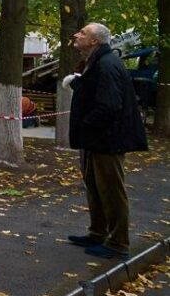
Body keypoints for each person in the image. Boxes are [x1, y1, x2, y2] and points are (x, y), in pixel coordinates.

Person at [64, 23, 149, 259]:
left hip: (108, 139)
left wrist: (85, 125)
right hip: (97, 139)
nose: (76, 34)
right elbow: (96, 92)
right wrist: (78, 83)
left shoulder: (107, 64)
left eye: (82, 33)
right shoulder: (98, 62)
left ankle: (118, 243)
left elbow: (109, 105)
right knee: (95, 186)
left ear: (94, 41)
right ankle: (98, 232)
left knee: (111, 190)